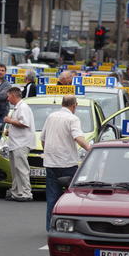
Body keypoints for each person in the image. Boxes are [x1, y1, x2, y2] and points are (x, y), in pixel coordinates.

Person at [41, 95, 91, 231]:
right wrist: (90, 150)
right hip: (67, 163)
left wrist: (48, 152)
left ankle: (50, 227)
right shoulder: (72, 118)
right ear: (74, 105)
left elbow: (43, 138)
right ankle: (69, 227)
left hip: (51, 163)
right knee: (71, 197)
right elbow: (78, 138)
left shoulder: (51, 116)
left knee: (52, 197)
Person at [3, 87, 35, 201]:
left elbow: (24, 123)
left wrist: (9, 121)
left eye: (8, 96)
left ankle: (26, 193)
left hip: (21, 143)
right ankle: (16, 192)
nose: (7, 99)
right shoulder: (18, 108)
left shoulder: (23, 107)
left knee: (21, 169)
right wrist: (10, 130)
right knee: (16, 169)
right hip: (16, 143)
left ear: (13, 95)